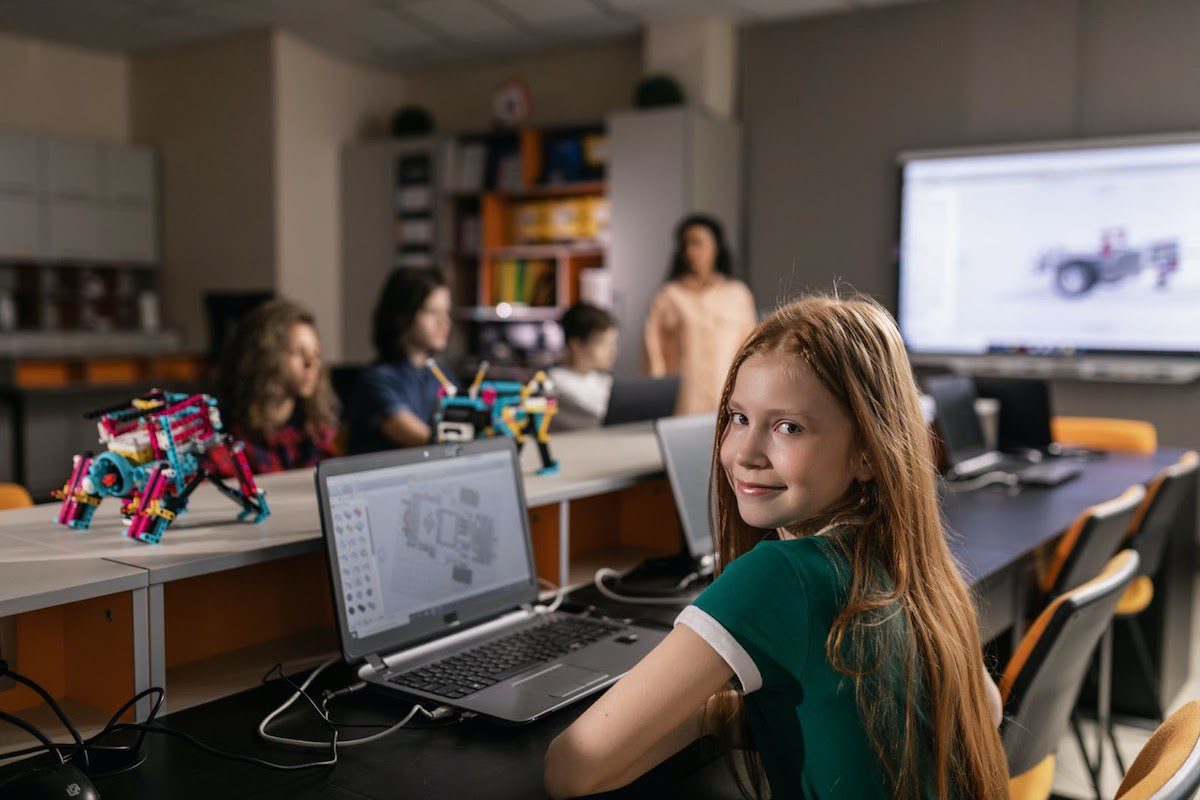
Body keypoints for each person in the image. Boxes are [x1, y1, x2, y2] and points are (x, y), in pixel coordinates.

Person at [545, 294, 1008, 799]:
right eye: (739, 418)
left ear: (868, 454)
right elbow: (988, 708)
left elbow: (573, 768)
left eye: (789, 427)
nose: (744, 453)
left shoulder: (780, 574)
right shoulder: (917, 567)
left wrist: (719, 712)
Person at [643, 214, 757, 415]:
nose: (690, 252)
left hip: (729, 401)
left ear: (716, 247)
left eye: (697, 243)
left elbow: (751, 348)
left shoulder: (737, 295)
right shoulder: (668, 297)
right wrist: (657, 400)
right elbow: (652, 353)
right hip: (683, 403)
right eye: (685, 245)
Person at [213, 298, 339, 475]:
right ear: (264, 357)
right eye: (297, 352)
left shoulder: (314, 433)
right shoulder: (226, 439)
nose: (311, 363)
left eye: (315, 353)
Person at [348, 267, 453, 454]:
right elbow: (427, 441)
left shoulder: (441, 376)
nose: (444, 322)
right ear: (401, 316)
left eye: (446, 312)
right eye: (431, 312)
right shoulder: (376, 381)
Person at [548, 303, 618, 431]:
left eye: (613, 343)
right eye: (603, 343)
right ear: (576, 345)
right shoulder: (554, 385)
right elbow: (599, 420)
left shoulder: (603, 380)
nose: (612, 351)